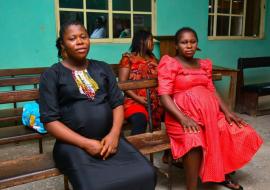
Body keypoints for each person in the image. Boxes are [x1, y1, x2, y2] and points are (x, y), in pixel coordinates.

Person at [39, 20, 156, 190]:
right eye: (72, 38)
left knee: (146, 173)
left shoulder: (102, 68)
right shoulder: (52, 75)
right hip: (73, 146)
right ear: (63, 44)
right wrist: (85, 143)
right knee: (94, 186)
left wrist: (115, 135)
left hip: (109, 139)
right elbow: (50, 121)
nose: (80, 42)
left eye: (83, 37)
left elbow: (117, 104)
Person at [158, 27, 263, 190]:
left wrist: (227, 112)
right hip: (181, 117)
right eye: (184, 42)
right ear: (176, 45)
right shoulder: (170, 63)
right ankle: (191, 187)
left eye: (193, 42)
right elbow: (164, 96)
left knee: (236, 130)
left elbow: (211, 90)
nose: (189, 46)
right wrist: (183, 118)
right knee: (194, 140)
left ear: (197, 44)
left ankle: (221, 174)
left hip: (210, 115)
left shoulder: (203, 64)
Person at [118, 30, 163, 135]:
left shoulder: (153, 59)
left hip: (154, 102)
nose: (152, 43)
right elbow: (122, 84)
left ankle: (169, 151)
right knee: (140, 120)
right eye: (150, 40)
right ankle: (134, 150)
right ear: (142, 41)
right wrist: (138, 98)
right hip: (134, 101)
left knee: (174, 114)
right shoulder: (128, 58)